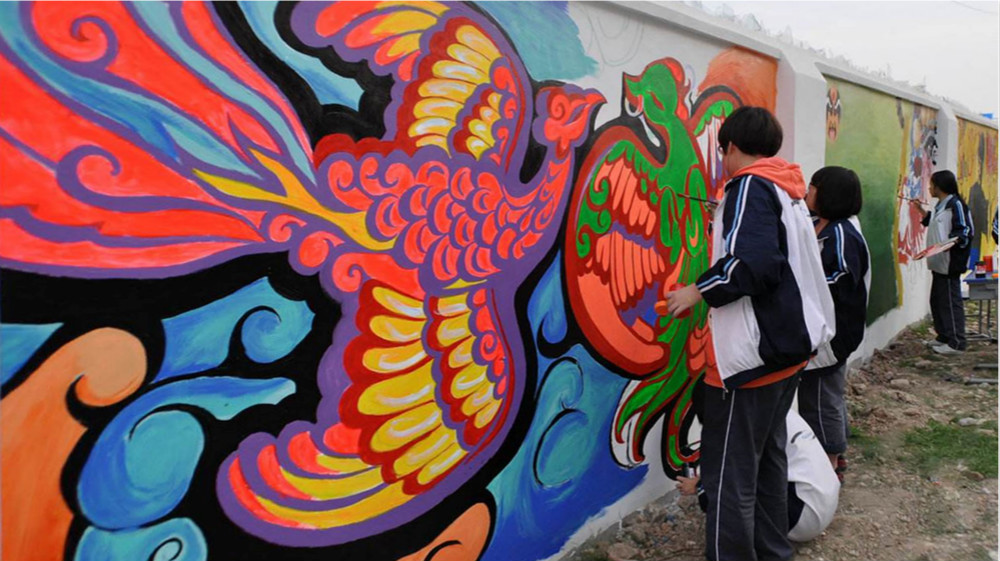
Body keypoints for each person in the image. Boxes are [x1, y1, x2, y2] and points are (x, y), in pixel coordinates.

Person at [662, 106, 834, 561]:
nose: (723, 162)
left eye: (723, 152)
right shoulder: (786, 188)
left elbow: (754, 264)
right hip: (785, 353)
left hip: (751, 358)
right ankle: (772, 551)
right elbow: (769, 250)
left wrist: (697, 291)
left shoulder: (749, 186)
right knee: (769, 461)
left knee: (728, 476)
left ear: (732, 147)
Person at [677, 408, 841, 543]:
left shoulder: (747, 426)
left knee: (729, 495)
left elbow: (715, 496)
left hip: (803, 519)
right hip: (825, 503)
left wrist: (700, 487)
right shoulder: (777, 408)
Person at [800, 166, 871, 477]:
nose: (807, 191)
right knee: (826, 393)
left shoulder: (842, 234)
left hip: (833, 333)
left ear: (828, 194)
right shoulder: (820, 223)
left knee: (820, 398)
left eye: (812, 186)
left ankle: (829, 466)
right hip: (822, 330)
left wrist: (797, 285)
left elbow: (840, 278)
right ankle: (836, 454)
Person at [912, 170, 973, 354]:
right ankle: (944, 336)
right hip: (938, 263)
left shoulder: (956, 205)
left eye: (931, 185)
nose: (929, 188)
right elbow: (937, 224)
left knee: (949, 302)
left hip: (950, 262)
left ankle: (957, 342)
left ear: (939, 187)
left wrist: (948, 245)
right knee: (937, 301)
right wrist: (921, 211)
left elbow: (964, 231)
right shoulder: (941, 205)